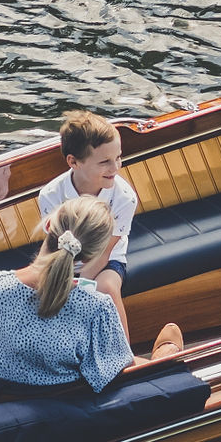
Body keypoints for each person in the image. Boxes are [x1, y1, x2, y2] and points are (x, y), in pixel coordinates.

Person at [0, 198, 178, 390]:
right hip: (70, 407)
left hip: (7, 398)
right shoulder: (96, 307)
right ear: (91, 256)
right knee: (158, 365)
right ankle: (166, 356)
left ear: (48, 225)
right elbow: (118, 371)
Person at [36, 111, 140, 304]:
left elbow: (104, 253)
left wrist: (77, 286)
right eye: (104, 162)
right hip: (62, 259)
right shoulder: (51, 195)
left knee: (106, 288)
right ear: (73, 162)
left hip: (106, 261)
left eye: (118, 157)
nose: (115, 168)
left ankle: (120, 336)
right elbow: (50, 248)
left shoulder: (124, 198)